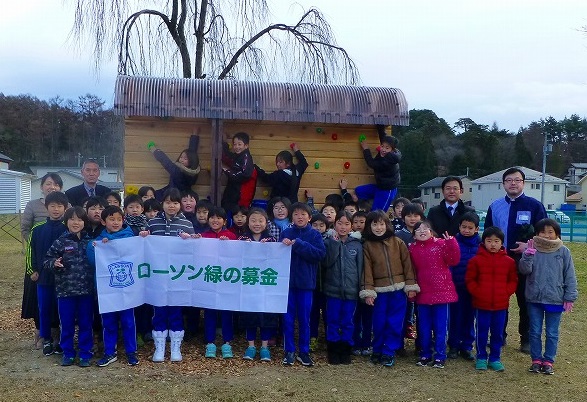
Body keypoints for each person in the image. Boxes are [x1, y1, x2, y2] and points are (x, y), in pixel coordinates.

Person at [485, 167, 547, 353]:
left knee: (525, 301)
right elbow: (487, 233)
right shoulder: (495, 206)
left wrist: (529, 247)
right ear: (503, 184)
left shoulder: (535, 206)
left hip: (525, 263)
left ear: (523, 183)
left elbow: (544, 234)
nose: (513, 183)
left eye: (517, 180)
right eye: (509, 180)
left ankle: (526, 339)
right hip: (500, 262)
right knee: (499, 300)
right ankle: (498, 336)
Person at [140, 188, 195, 362]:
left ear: (180, 205)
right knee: (159, 311)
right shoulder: (153, 223)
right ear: (162, 203)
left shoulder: (187, 224)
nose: (172, 206)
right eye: (168, 202)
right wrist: (143, 236)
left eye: (175, 202)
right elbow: (144, 248)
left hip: (178, 277)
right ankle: (159, 348)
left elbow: (194, 250)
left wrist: (191, 240)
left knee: (176, 311)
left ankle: (176, 348)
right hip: (158, 277)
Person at [519, 218, 578, 375]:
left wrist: (570, 297)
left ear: (556, 233)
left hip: (555, 298)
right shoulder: (532, 249)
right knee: (535, 330)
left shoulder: (564, 251)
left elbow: (570, 275)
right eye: (542, 232)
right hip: (534, 298)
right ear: (537, 234)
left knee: (552, 332)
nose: (546, 235)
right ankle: (536, 360)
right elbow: (524, 270)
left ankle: (549, 361)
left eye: (550, 232)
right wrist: (528, 255)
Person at [360, 210, 418, 367]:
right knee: (379, 322)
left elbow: (407, 265)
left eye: (381, 224)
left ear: (387, 224)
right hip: (379, 291)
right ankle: (377, 349)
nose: (378, 227)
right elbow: (367, 270)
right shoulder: (367, 246)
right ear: (369, 227)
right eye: (374, 224)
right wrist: (368, 292)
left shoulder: (397, 242)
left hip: (398, 290)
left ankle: (388, 351)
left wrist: (410, 285)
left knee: (395, 322)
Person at [87, 206, 139, 366]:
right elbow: (92, 261)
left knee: (128, 321)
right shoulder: (97, 242)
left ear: (123, 220)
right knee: (108, 322)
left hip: (127, 289)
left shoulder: (132, 238)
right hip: (107, 290)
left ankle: (131, 351)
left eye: (118, 219)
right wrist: (98, 248)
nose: (115, 222)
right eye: (111, 219)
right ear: (103, 221)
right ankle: (110, 352)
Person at [44, 206, 94, 367]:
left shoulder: (90, 241)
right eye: (72, 219)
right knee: (66, 323)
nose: (76, 222)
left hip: (86, 291)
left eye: (79, 219)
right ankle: (68, 352)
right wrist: (54, 263)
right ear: (66, 221)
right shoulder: (61, 241)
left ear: (84, 222)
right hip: (65, 291)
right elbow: (47, 260)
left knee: (86, 323)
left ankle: (85, 353)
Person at [21, 173, 64, 349]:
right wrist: (32, 269)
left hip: (62, 275)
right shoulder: (37, 227)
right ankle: (43, 336)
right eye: (48, 183)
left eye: (55, 184)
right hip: (41, 271)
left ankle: (58, 336)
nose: (51, 186)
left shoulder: (67, 226)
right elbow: (29, 244)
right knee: (42, 305)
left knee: (59, 306)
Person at [466, 226, 518, 371]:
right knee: (481, 331)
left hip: (501, 305)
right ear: (483, 242)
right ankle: (481, 356)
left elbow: (513, 280)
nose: (493, 244)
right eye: (489, 241)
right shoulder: (475, 260)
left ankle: (495, 357)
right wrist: (478, 292)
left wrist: (506, 292)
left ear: (502, 243)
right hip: (481, 304)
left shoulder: (509, 262)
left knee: (498, 332)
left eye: (496, 241)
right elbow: (470, 280)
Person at [280, 202, 326, 367]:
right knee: (288, 319)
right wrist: (282, 244)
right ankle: (289, 351)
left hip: (306, 284)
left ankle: (304, 352)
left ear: (309, 217)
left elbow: (319, 254)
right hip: (287, 285)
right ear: (291, 217)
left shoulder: (314, 235)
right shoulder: (285, 232)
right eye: (296, 214)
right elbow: (275, 255)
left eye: (303, 214)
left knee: (304, 319)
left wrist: (299, 244)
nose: (300, 217)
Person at [409, 221, 460, 369]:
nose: (422, 231)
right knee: (423, 327)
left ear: (432, 231)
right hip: (423, 292)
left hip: (442, 292)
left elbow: (454, 260)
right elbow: (410, 270)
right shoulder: (412, 249)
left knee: (440, 327)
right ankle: (425, 354)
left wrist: (452, 243)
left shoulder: (441, 244)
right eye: (418, 230)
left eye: (425, 228)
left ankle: (440, 356)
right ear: (414, 235)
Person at [195, 207, 238, 359]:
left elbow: (238, 257)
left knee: (227, 312)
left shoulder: (231, 236)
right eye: (212, 217)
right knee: (209, 312)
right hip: (209, 279)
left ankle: (227, 342)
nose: (215, 220)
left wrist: (229, 245)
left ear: (225, 221)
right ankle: (210, 342)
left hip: (226, 280)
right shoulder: (204, 236)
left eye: (219, 218)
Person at [322, 211, 363, 365]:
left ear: (352, 226)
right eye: (340, 223)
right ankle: (332, 349)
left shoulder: (357, 245)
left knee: (348, 321)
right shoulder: (328, 241)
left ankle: (346, 349)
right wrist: (334, 243)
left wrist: (361, 288)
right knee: (332, 320)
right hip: (332, 290)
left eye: (347, 224)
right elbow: (327, 263)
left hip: (351, 291)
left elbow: (361, 269)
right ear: (334, 224)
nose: (343, 227)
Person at [237, 208, 278, 362]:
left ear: (266, 223)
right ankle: (251, 346)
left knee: (266, 316)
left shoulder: (272, 240)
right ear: (248, 222)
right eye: (253, 220)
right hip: (248, 286)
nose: (257, 223)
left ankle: (265, 347)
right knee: (250, 316)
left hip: (266, 287)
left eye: (260, 220)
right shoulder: (242, 238)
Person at [447, 212, 481, 361]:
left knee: (469, 318)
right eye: (464, 227)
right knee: (455, 317)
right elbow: (449, 264)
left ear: (476, 229)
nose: (466, 230)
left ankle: (466, 346)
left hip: (473, 289)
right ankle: (453, 345)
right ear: (459, 227)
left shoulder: (481, 245)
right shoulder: (453, 242)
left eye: (470, 227)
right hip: (456, 287)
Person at [355, 126, 401, 212]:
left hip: (387, 190)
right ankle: (370, 205)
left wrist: (365, 148)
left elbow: (371, 163)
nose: (383, 149)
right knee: (359, 191)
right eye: (382, 146)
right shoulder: (389, 152)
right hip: (380, 186)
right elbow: (383, 138)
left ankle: (373, 209)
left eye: (387, 148)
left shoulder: (387, 162)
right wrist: (380, 127)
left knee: (377, 213)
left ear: (392, 150)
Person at [147, 136, 200, 200]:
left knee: (152, 196)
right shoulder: (194, 171)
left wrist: (153, 149)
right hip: (185, 195)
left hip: (172, 195)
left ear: (191, 161)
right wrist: (195, 136)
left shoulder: (177, 170)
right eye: (181, 157)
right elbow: (192, 152)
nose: (182, 160)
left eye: (185, 158)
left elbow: (165, 161)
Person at [21, 173, 64, 243]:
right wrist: (35, 243)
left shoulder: (67, 206)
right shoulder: (32, 205)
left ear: (60, 188)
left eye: (56, 185)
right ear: (41, 187)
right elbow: (25, 229)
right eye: (48, 184)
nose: (52, 187)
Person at [309, 213, 329, 352]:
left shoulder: (331, 240)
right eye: (315, 225)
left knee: (328, 314)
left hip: (328, 285)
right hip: (312, 284)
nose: (318, 228)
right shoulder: (309, 239)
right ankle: (313, 338)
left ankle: (329, 338)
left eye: (321, 225)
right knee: (313, 314)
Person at [221, 132, 255, 214]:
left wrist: (227, 171)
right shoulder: (237, 156)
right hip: (232, 192)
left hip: (239, 197)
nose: (236, 147)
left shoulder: (246, 157)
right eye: (235, 144)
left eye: (239, 144)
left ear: (246, 146)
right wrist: (224, 143)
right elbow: (227, 156)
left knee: (237, 214)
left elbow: (245, 174)